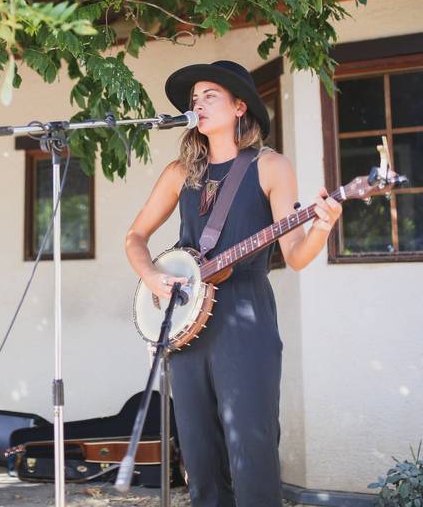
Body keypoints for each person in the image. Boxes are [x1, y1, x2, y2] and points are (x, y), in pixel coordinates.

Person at [125, 61, 343, 507]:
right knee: (199, 459)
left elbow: (296, 255)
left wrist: (322, 227)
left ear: (239, 106)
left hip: (245, 319)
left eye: (210, 96)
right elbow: (135, 237)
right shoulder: (178, 172)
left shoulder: (270, 166)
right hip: (184, 325)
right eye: (194, 99)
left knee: (252, 451)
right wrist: (151, 276)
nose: (198, 105)